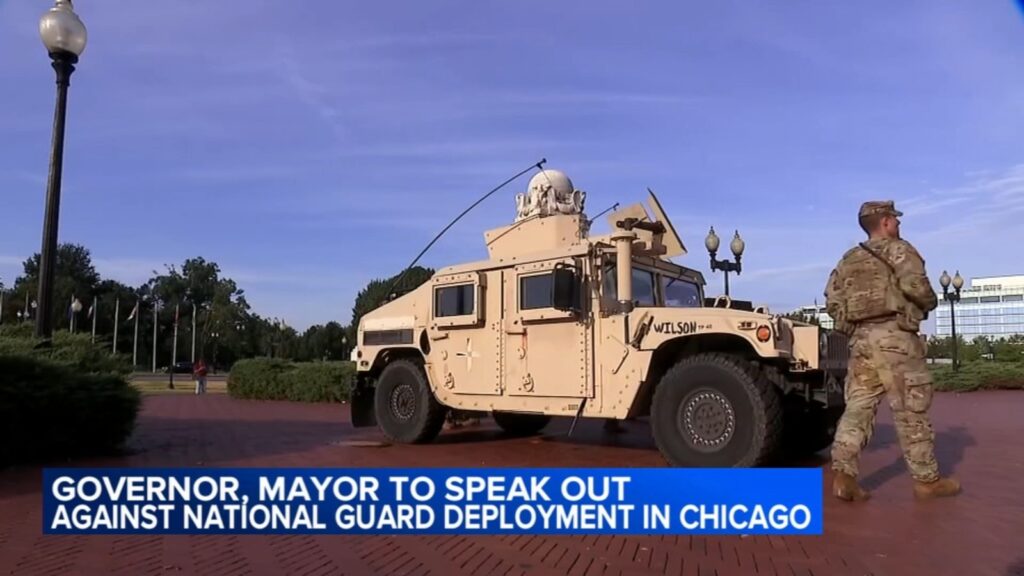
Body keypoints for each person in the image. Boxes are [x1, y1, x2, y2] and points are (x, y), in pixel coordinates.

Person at [823, 200, 960, 501]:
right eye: (895, 220)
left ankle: (844, 475)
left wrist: (851, 325)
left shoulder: (848, 259)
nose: (898, 224)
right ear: (885, 221)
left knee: (858, 408)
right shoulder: (900, 250)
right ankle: (927, 480)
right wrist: (927, 305)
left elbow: (832, 299)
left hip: (861, 343)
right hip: (896, 340)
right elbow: (917, 287)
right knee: (911, 408)